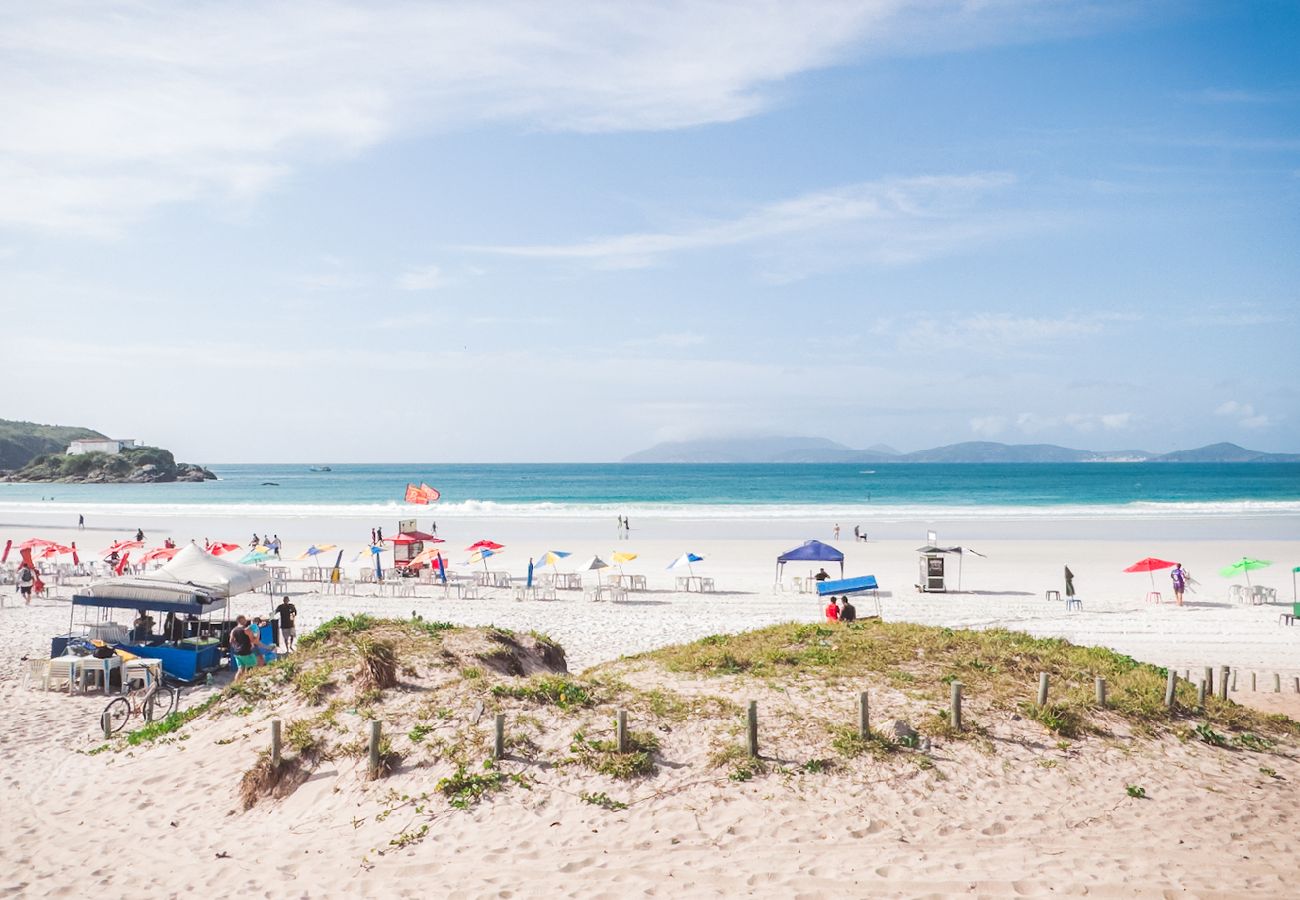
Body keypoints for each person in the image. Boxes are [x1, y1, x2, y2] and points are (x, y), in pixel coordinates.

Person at [229, 616, 257, 682]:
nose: (246, 621)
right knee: (251, 669)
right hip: (247, 652)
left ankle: (236, 683)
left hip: (237, 653)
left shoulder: (233, 630)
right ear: (242, 620)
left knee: (240, 669)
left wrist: (236, 647)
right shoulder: (246, 630)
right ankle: (249, 683)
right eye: (245, 619)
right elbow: (253, 640)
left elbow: (231, 641)